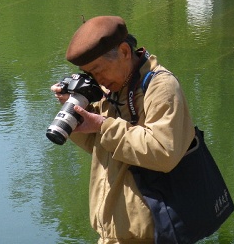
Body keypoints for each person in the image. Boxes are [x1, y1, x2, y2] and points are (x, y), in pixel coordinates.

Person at [51, 16, 196, 244]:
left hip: (152, 237)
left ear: (124, 52)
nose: (97, 80)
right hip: (111, 236)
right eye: (89, 74)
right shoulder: (112, 89)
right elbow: (100, 145)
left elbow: (164, 152)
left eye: (98, 70)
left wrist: (102, 124)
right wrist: (76, 115)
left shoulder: (160, 87)